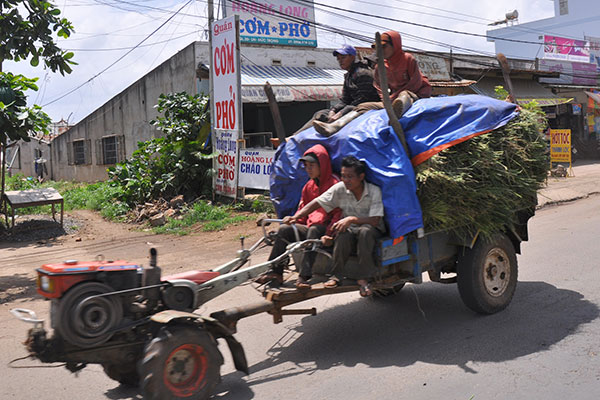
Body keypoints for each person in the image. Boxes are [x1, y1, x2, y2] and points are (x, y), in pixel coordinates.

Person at [285, 156, 385, 297]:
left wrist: (351, 219)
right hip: (351, 229)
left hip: (371, 229)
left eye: (350, 177)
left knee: (365, 232)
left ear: (361, 177)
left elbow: (374, 220)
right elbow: (317, 202)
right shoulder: (340, 188)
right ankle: (336, 275)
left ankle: (364, 278)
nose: (346, 180)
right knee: (342, 234)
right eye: (343, 176)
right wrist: (296, 216)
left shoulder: (374, 191)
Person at [313, 31, 432, 137]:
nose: (381, 50)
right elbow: (379, 87)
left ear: (395, 45)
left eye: (384, 46)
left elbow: (416, 83)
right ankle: (335, 126)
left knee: (404, 95)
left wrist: (394, 97)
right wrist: (386, 100)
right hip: (392, 100)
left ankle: (397, 113)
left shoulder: (408, 59)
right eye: (378, 47)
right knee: (363, 106)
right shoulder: (380, 66)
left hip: (414, 94)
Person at [256, 144, 341, 288]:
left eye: (312, 165)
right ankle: (275, 271)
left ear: (322, 164)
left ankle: (304, 276)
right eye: (306, 166)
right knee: (284, 230)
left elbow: (339, 213)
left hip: (327, 230)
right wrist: (293, 222)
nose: (308, 169)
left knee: (314, 229)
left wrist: (329, 233)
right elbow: (302, 211)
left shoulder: (335, 184)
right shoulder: (308, 186)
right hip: (311, 228)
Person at [296, 44, 379, 135]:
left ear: (352, 57)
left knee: (347, 111)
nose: (340, 61)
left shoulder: (363, 73)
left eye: (343, 57)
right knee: (320, 114)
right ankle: (295, 136)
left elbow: (363, 99)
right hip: (350, 106)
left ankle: (330, 128)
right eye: (338, 59)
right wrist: (333, 110)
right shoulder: (348, 76)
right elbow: (344, 100)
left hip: (362, 108)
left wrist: (340, 113)